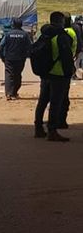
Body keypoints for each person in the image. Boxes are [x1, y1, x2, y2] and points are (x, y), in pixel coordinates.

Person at [34, 11, 75, 141]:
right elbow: (66, 57)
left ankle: (38, 128)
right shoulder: (61, 36)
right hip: (58, 74)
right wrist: (70, 72)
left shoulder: (44, 34)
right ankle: (52, 131)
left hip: (45, 73)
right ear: (61, 21)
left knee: (42, 101)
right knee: (56, 103)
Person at [0, 18, 32, 100]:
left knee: (9, 75)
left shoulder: (8, 34)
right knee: (17, 74)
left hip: (9, 58)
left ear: (13, 25)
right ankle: (14, 92)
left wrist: (2, 56)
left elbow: (1, 45)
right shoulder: (25, 35)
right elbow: (30, 46)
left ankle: (9, 93)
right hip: (21, 58)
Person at [57, 13, 78, 129]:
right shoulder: (72, 31)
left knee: (60, 96)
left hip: (61, 67)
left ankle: (59, 121)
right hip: (67, 64)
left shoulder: (65, 33)